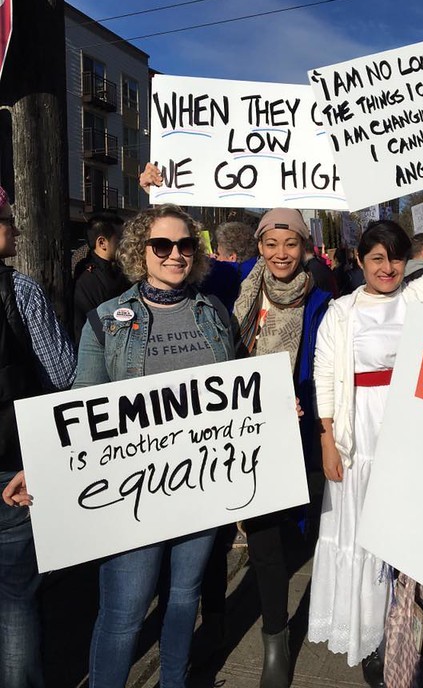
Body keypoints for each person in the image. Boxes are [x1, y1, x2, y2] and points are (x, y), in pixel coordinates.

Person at [73, 204, 235, 688]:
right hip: (132, 493)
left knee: (184, 597)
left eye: (185, 245)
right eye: (161, 245)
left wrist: (274, 410)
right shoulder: (107, 321)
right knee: (124, 611)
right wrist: (40, 468)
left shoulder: (214, 312)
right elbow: (81, 407)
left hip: (201, 483)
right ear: (139, 251)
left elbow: (236, 390)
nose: (175, 255)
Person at [307, 220, 423, 687]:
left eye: (396, 258)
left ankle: (404, 629)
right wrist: (327, 439)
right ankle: (371, 637)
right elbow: (325, 376)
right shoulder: (342, 311)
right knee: (364, 532)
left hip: (409, 428)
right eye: (377, 258)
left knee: (403, 531)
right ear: (360, 260)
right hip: (359, 430)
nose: (387, 268)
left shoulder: (417, 296)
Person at [232, 207, 331, 688]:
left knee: (291, 533)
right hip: (245, 436)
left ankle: (289, 629)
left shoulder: (323, 302)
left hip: (298, 432)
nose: (280, 254)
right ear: (258, 247)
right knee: (262, 539)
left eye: (291, 244)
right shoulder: (238, 288)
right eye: (271, 244)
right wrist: (155, 190)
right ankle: (273, 635)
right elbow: (170, 266)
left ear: (305, 248)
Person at [0, 185, 76, 688]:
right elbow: (63, 373)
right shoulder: (20, 290)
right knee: (15, 598)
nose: (15, 227)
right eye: (7, 218)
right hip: (12, 467)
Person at [73, 212, 128, 342]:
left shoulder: (120, 269)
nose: (125, 245)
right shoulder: (87, 279)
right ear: (102, 242)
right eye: (120, 239)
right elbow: (94, 326)